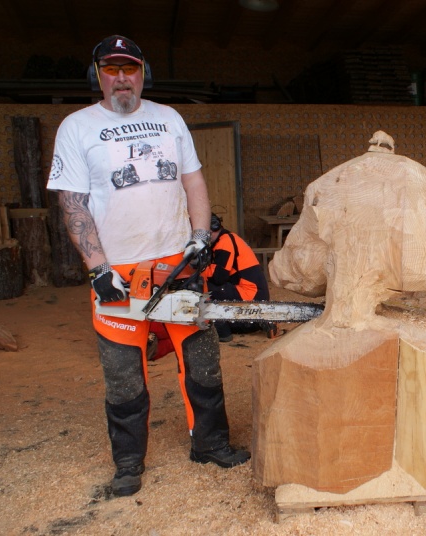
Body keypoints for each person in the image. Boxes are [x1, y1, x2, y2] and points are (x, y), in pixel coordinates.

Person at [46, 35, 248, 498]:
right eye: (111, 69)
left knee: (202, 362)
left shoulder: (169, 118)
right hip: (118, 273)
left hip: (178, 262)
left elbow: (193, 181)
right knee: (123, 375)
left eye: (130, 68)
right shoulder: (77, 127)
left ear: (143, 73)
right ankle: (128, 463)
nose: (122, 78)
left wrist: (201, 237)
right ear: (97, 74)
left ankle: (211, 444)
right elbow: (73, 203)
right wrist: (97, 267)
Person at [203, 213, 271, 341]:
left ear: (211, 229)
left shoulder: (225, 242)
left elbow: (219, 277)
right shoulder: (225, 240)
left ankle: (223, 330)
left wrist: (202, 271)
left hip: (251, 295)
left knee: (206, 287)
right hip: (248, 294)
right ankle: (230, 326)